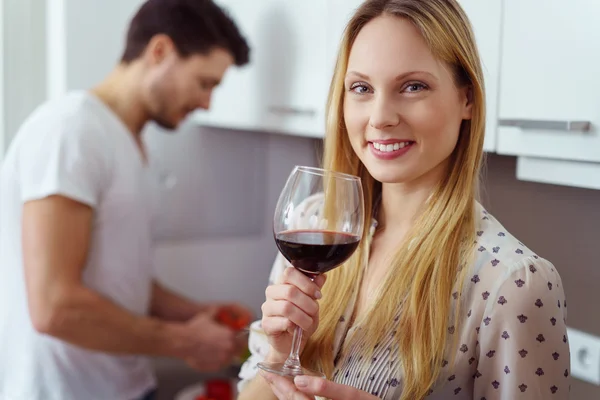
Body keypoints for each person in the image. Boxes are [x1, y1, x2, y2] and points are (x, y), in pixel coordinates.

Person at [238, 0, 570, 399]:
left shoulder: (514, 283)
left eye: (413, 86)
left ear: (467, 99)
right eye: (361, 88)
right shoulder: (314, 222)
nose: (380, 117)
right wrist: (279, 355)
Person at [0, 1, 251, 399]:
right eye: (205, 83)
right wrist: (185, 341)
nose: (207, 102)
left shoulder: (126, 142)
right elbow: (54, 306)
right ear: (160, 52)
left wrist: (191, 314)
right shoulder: (72, 131)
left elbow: (118, 276)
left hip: (122, 386)